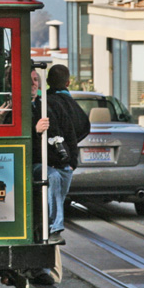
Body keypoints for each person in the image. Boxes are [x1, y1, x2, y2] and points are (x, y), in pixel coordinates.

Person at [32, 64, 90, 246]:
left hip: (61, 163)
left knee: (56, 190)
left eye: (36, 80)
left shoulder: (48, 103)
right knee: (53, 179)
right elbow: (84, 127)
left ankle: (50, 230)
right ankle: (54, 229)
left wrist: (72, 161)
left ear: (45, 82)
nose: (33, 84)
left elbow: (70, 132)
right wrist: (35, 131)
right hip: (40, 164)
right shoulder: (31, 107)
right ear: (68, 82)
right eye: (30, 81)